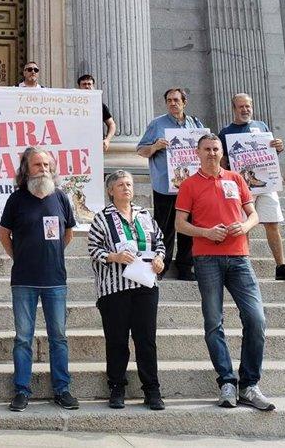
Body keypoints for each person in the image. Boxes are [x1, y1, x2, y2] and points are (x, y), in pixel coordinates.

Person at [174, 133, 275, 411]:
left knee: (256, 319)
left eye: (216, 149)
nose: (212, 153)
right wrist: (206, 232)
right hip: (206, 259)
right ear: (198, 153)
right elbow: (180, 224)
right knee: (213, 322)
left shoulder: (236, 178)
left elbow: (253, 214)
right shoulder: (189, 185)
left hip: (240, 257)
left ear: (222, 152)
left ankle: (250, 384)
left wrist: (245, 226)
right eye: (206, 149)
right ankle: (227, 381)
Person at [0, 147, 78, 412]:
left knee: (59, 338)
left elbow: (68, 234)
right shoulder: (16, 199)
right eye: (37, 165)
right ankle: (21, 390)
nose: (43, 169)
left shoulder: (61, 198)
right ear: (26, 169)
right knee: (23, 338)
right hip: (23, 280)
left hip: (55, 280)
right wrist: (19, 257)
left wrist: (51, 256)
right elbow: (3, 234)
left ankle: (62, 389)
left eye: (46, 164)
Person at [87, 170, 166, 410]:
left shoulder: (144, 214)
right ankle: (117, 388)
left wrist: (160, 258)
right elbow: (93, 249)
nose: (126, 188)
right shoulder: (101, 218)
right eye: (120, 185)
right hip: (114, 289)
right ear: (111, 190)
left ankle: (152, 390)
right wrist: (114, 256)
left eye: (129, 184)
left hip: (145, 286)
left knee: (146, 340)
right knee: (117, 341)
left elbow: (159, 241)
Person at [218, 93, 285, 283]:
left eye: (248, 106)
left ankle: (281, 266)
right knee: (244, 227)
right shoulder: (226, 132)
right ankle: (244, 267)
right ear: (234, 109)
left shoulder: (261, 126)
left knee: (272, 224)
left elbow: (270, 152)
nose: (245, 110)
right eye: (241, 107)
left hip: (266, 184)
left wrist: (278, 147)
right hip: (242, 187)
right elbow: (222, 162)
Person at [136, 88, 205, 280]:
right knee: (164, 227)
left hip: (191, 186)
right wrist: (155, 146)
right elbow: (141, 150)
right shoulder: (157, 124)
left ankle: (185, 267)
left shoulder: (195, 124)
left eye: (176, 100)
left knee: (188, 228)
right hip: (165, 185)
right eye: (169, 100)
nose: (172, 103)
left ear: (184, 102)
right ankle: (162, 266)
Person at [77, 74, 117, 152]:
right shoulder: (71, 105)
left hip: (95, 145)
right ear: (79, 87)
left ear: (93, 87)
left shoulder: (100, 105)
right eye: (84, 84)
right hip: (77, 144)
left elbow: (112, 124)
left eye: (89, 84)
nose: (87, 87)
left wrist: (107, 140)